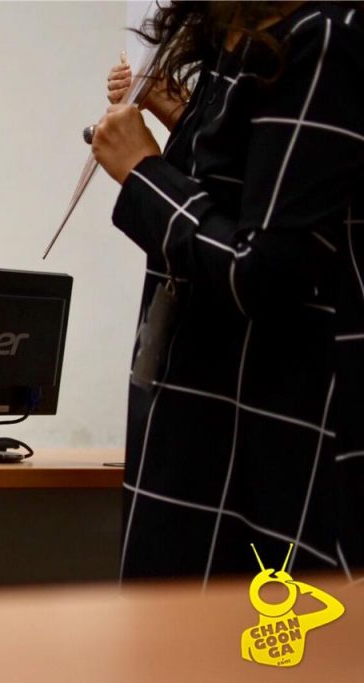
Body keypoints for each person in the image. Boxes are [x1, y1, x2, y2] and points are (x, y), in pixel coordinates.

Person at [90, 1, 364, 583]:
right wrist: (181, 118)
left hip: (273, 438)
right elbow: (242, 191)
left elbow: (263, 270)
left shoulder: (323, 37)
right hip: (193, 420)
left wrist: (143, 172)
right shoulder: (234, 43)